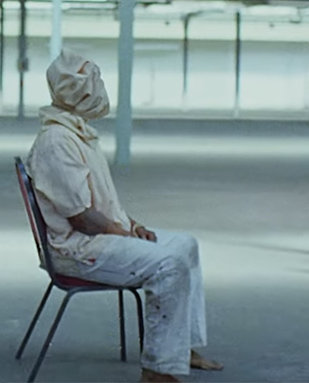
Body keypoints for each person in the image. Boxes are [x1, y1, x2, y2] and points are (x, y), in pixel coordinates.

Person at [25, 50, 223, 383]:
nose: (99, 88)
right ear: (78, 92)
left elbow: (103, 203)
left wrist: (134, 226)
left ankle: (178, 347)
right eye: (92, 82)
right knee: (169, 265)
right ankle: (158, 370)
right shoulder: (57, 141)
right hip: (78, 249)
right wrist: (125, 234)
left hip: (100, 236)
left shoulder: (78, 132)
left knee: (185, 245)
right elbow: (82, 219)